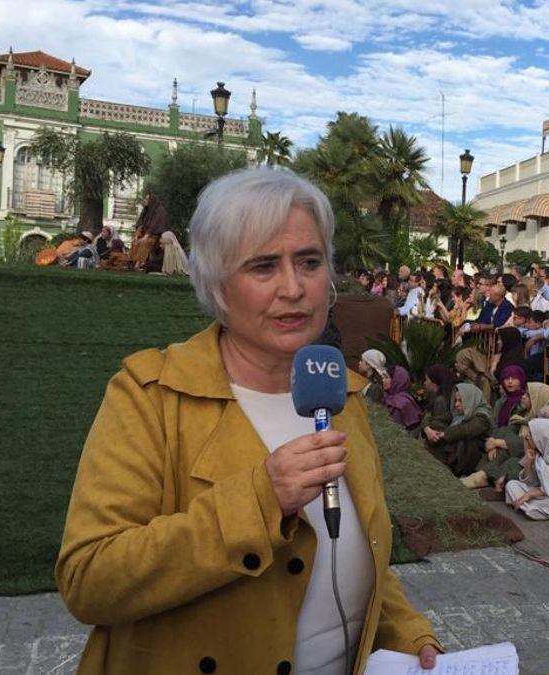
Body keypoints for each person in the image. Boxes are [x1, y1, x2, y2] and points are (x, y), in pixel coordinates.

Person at [56, 168, 439, 674]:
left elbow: (358, 552)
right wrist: (262, 500)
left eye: (309, 262)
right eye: (263, 266)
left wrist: (411, 636)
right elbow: (89, 579)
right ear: (217, 284)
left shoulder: (342, 396)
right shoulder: (150, 397)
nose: (294, 288)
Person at [425, 382, 492, 477]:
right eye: (456, 400)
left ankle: (449, 466)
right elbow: (432, 420)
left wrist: (443, 434)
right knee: (436, 425)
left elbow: (465, 430)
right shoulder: (458, 414)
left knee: (461, 437)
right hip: (455, 450)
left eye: (460, 401)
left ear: (470, 400)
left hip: (471, 457)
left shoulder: (482, 417)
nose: (456, 404)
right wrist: (428, 430)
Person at [417, 364, 455, 440]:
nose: (425, 383)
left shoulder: (440, 401)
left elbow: (437, 425)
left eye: (427, 380)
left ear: (434, 384)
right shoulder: (435, 396)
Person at [382, 366, 423, 431]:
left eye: (386, 377)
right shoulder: (386, 396)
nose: (383, 380)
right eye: (383, 377)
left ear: (396, 381)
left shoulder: (405, 402)